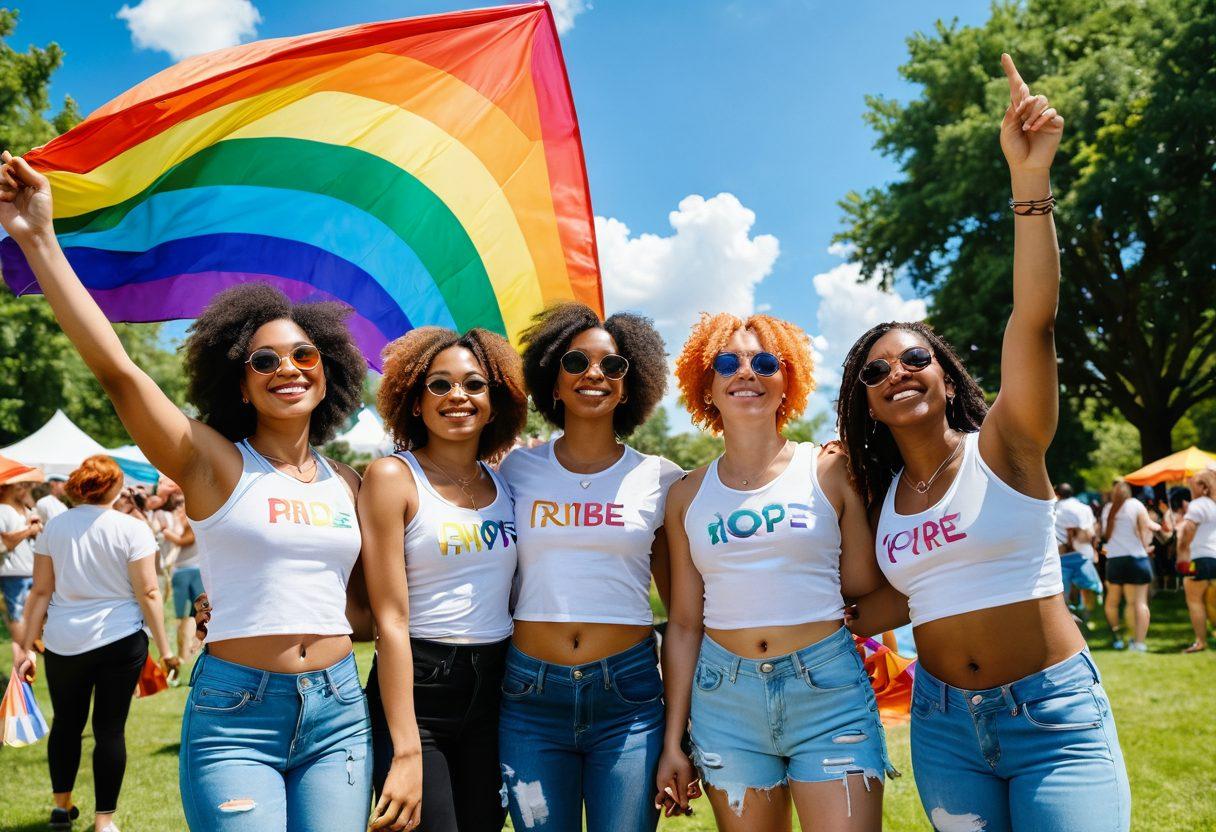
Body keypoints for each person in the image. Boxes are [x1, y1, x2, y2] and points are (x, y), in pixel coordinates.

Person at [0, 151, 376, 831]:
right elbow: (117, 373)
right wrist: (39, 239)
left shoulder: (348, 481)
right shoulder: (212, 462)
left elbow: (374, 610)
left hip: (339, 713)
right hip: (238, 717)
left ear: (329, 371)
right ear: (239, 381)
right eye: (264, 359)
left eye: (303, 355)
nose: (286, 367)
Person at [841, 56, 1130, 832]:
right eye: (876, 370)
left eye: (914, 357)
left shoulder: (1006, 442)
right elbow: (886, 602)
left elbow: (1032, 318)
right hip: (943, 728)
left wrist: (1029, 182)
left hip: (1051, 719)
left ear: (944, 373)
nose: (897, 372)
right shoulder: (883, 499)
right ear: (866, 402)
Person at [657, 313, 892, 830]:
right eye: (728, 363)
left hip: (827, 695)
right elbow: (682, 624)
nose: (747, 372)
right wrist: (675, 739)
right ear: (707, 385)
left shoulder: (832, 469)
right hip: (724, 703)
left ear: (788, 383)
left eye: (766, 362)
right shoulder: (685, 496)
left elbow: (861, 587)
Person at [497, 302, 680, 832]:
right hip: (530, 696)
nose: (594, 374)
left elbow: (682, 607)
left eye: (613, 366)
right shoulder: (516, 470)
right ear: (553, 383)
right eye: (576, 363)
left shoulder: (662, 478)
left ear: (629, 385)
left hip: (629, 695)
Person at [359, 327, 527, 831]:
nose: (458, 396)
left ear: (494, 405)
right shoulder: (392, 477)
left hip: (497, 688)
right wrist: (407, 749)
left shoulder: (507, 482)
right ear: (414, 401)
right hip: (419, 686)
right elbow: (389, 619)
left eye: (475, 385)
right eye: (439, 385)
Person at [14, 455, 179, 832]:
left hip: (63, 640)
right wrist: (167, 650)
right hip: (120, 639)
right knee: (109, 729)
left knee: (67, 725)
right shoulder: (131, 529)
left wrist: (24, 648)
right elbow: (150, 591)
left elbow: (39, 592)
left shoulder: (54, 527)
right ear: (116, 488)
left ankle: (61, 807)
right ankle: (104, 820)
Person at [1101, 483, 1158, 651]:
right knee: (1138, 603)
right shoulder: (1136, 505)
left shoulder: (1108, 509)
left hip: (1115, 560)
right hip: (1137, 558)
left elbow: (1104, 534)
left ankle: (1118, 638)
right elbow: (1147, 529)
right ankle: (1139, 643)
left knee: (1112, 602)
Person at [158, 493, 203, 665]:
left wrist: (166, 532)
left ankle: (186, 653)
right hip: (183, 571)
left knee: (188, 615)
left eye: (182, 505)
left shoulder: (193, 522)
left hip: (190, 572)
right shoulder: (183, 521)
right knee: (185, 615)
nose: (179, 509)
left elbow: (184, 541)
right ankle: (185, 653)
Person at [1176, 469, 1216, 653]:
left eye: (1193, 482)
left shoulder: (1198, 504)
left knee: (1195, 601)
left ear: (1203, 486)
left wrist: (1182, 549)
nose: (1189, 484)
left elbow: (1189, 529)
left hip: (1200, 557)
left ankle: (1201, 641)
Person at [1, 480, 41, 658]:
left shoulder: (27, 510)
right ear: (6, 487)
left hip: (32, 570)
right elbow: (4, 543)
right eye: (20, 485)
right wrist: (29, 530)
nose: (25, 488)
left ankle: (29, 650)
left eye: (26, 485)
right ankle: (24, 655)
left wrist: (35, 526)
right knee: (17, 615)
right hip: (12, 573)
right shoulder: (2, 510)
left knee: (33, 613)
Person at [1054, 483, 1102, 624]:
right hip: (1083, 553)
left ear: (1057, 494)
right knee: (1088, 587)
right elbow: (1091, 532)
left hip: (1060, 555)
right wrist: (1095, 550)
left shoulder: (1052, 508)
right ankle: (1087, 616)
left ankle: (1069, 615)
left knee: (1063, 590)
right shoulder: (1084, 508)